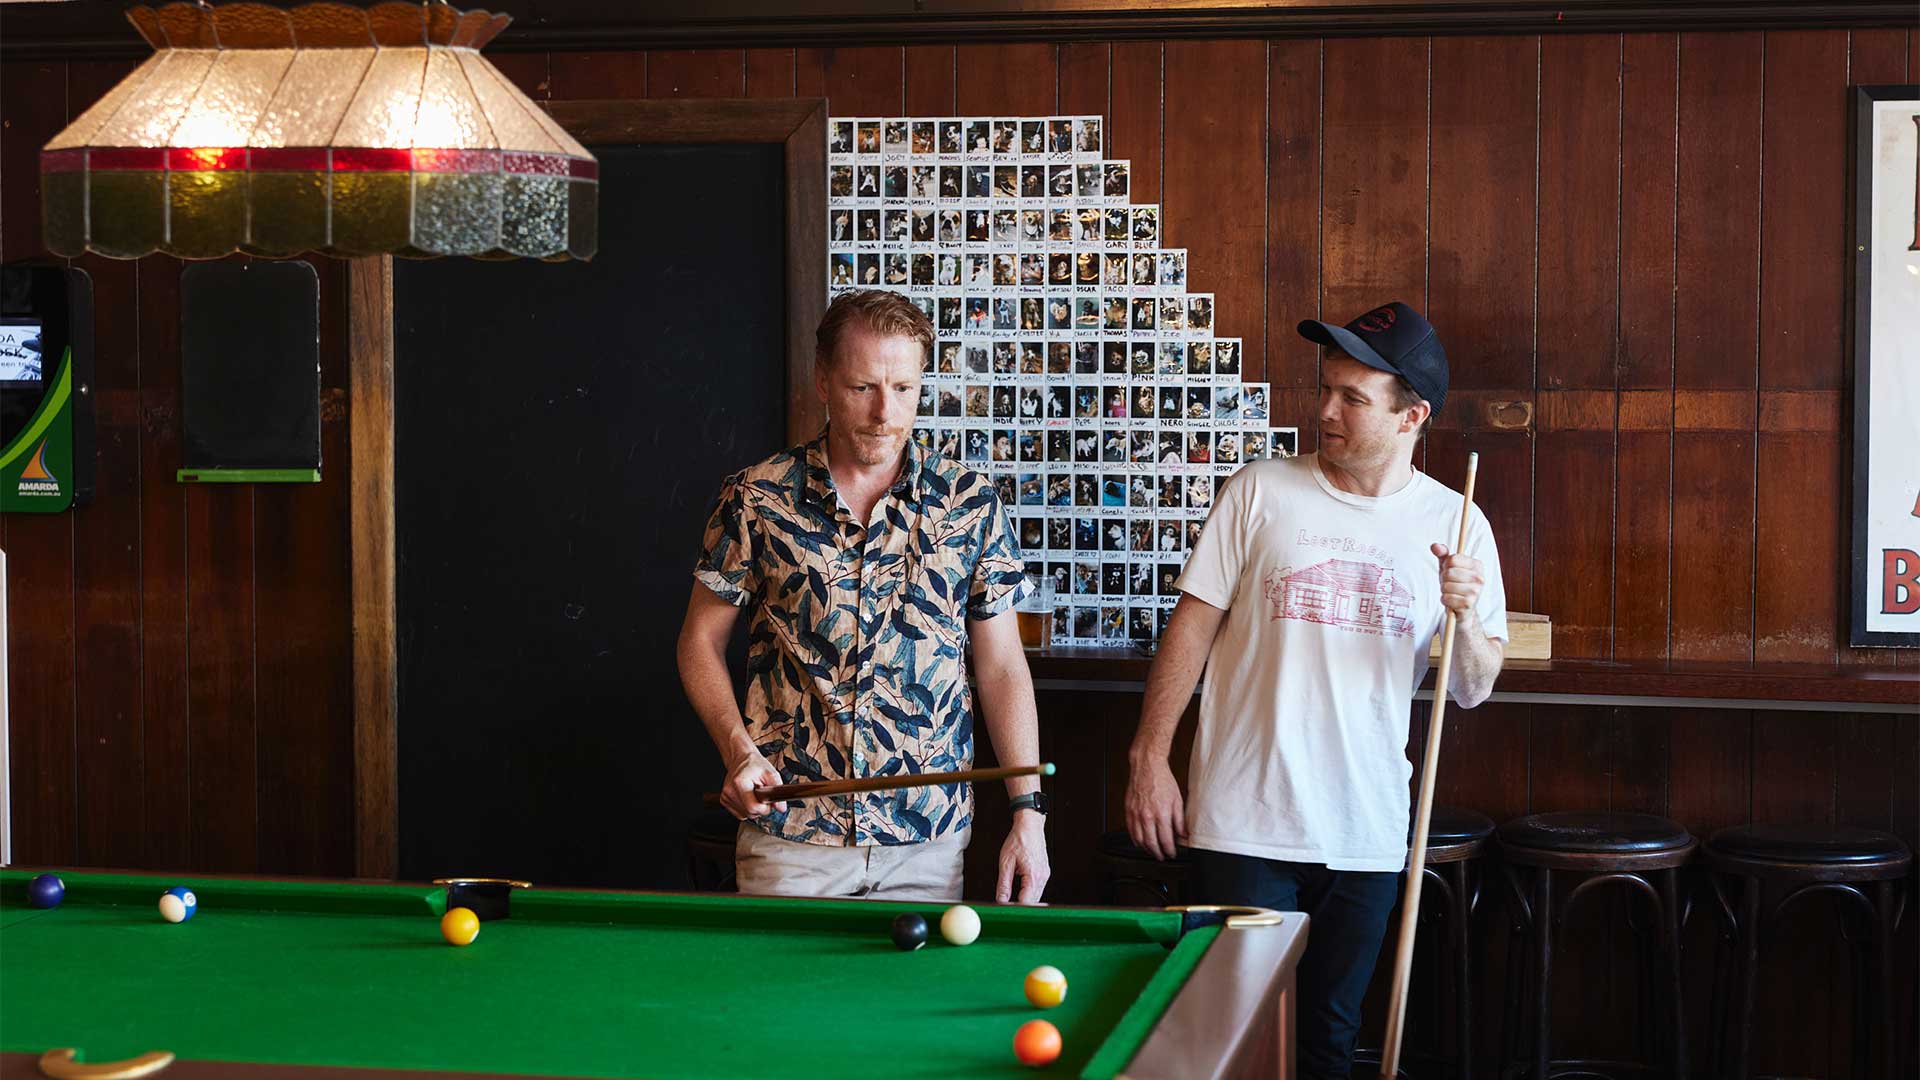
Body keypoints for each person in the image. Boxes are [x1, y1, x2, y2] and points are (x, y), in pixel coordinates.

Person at [1123, 301, 1508, 1079]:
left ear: (1412, 417)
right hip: (1242, 820)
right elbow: (1190, 630)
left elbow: (1470, 688)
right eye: (1325, 389)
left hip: (1364, 828)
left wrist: (1464, 618)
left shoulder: (1458, 525)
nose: (1325, 410)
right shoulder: (1259, 491)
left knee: (1328, 1043)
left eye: (1353, 398)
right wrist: (1149, 757)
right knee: (1226, 1043)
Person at [678, 289, 1051, 905]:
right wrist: (737, 750)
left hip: (926, 842)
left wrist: (1028, 815)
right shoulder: (756, 499)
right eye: (863, 388)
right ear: (823, 380)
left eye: (904, 389)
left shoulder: (970, 503)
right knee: (780, 1005)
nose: (885, 412)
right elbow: (698, 642)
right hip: (791, 838)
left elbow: (1004, 667)